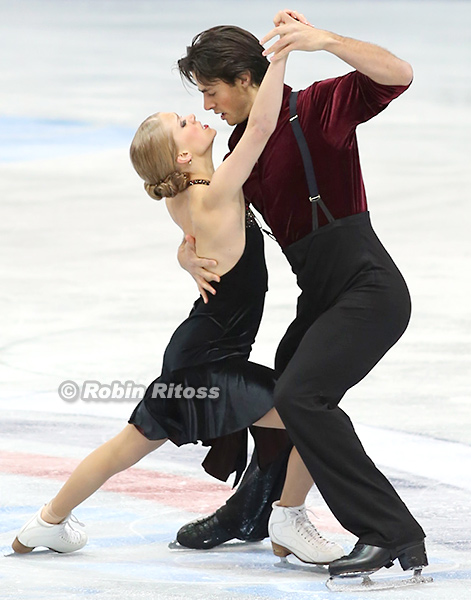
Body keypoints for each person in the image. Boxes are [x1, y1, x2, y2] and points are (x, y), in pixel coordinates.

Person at [11, 46, 343, 566]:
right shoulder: (212, 191)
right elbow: (259, 131)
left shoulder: (182, 194)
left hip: (198, 355)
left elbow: (192, 238)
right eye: (182, 122)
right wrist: (276, 62)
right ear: (183, 157)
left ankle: (45, 523)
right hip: (209, 363)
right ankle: (289, 520)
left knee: (129, 445)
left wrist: (185, 257)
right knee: (311, 413)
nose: (195, 115)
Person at [176, 9, 428, 579]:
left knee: (302, 397)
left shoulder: (316, 107)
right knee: (278, 398)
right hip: (319, 294)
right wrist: (186, 252)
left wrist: (325, 41)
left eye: (212, 91)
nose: (208, 106)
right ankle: (258, 511)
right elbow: (215, 222)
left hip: (368, 287)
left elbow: (399, 73)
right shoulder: (242, 144)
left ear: (245, 79)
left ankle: (390, 531)